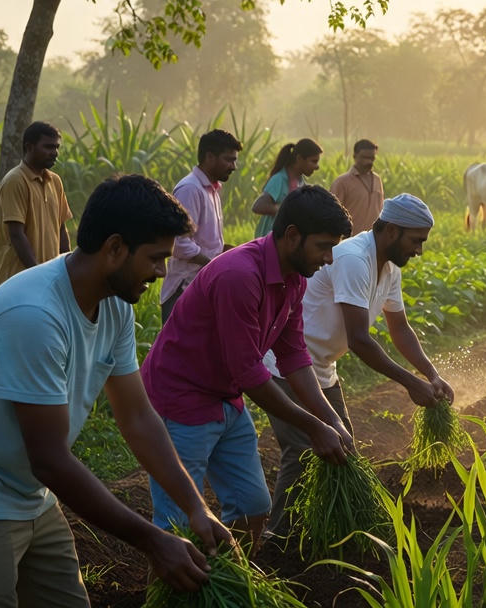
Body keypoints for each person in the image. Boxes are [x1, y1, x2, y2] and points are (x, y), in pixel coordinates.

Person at [0, 175, 233, 607]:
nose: (162, 271)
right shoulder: (34, 315)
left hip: (27, 489)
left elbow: (137, 417)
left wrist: (196, 507)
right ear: (114, 248)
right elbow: (50, 460)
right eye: (155, 258)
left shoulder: (114, 304)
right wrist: (152, 541)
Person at [140, 185, 355, 546]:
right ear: (292, 236)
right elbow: (248, 372)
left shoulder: (294, 279)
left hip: (226, 396)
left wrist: (330, 419)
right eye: (323, 246)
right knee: (177, 523)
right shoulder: (239, 275)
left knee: (253, 507)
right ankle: (170, 578)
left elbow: (294, 356)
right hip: (182, 397)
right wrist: (312, 426)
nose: (329, 258)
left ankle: (230, 573)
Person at [263, 193, 455, 539]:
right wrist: (410, 383)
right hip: (286, 365)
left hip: (322, 368)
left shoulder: (389, 267)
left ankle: (329, 532)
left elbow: (400, 329)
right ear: (392, 231)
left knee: (343, 449)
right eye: (416, 241)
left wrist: (431, 374)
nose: (419, 250)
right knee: (303, 451)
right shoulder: (354, 259)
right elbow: (359, 340)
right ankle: (278, 540)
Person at [161, 129, 242, 322]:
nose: (233, 166)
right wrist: (214, 265)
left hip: (202, 286)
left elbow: (207, 241)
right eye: (228, 160)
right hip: (184, 289)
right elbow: (179, 243)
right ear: (210, 157)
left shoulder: (211, 190)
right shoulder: (190, 189)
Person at [0, 121, 72, 289]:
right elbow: (16, 235)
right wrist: (38, 276)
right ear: (29, 147)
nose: (54, 153)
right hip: (16, 282)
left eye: (56, 147)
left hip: (47, 282)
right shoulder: (15, 181)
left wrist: (67, 272)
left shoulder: (55, 181)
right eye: (48, 147)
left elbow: (61, 229)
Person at [253, 139, 322, 239]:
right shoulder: (279, 179)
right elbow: (259, 206)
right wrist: (288, 210)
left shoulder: (302, 184)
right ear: (299, 158)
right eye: (314, 161)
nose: (317, 167)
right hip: (270, 241)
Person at [330, 138, 384, 236]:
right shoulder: (342, 182)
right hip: (350, 239)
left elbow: (380, 210)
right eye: (364, 157)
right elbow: (333, 214)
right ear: (354, 156)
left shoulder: (377, 179)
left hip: (373, 238)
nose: (369, 161)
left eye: (372, 158)